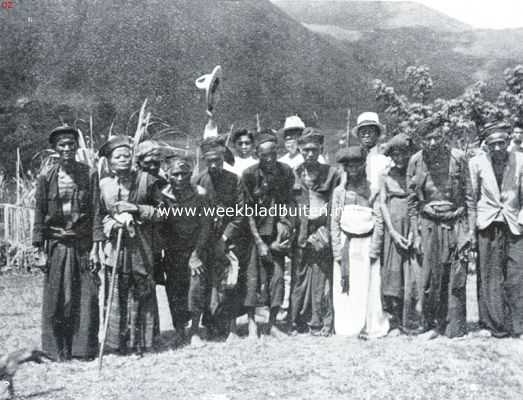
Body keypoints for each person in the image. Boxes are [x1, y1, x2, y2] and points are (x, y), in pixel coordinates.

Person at [33, 125, 102, 361]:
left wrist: (96, 248)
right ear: (55, 148)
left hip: (82, 244)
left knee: (85, 295)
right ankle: (55, 350)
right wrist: (40, 250)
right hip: (56, 245)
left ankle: (82, 349)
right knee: (57, 297)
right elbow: (39, 213)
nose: (67, 149)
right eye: (62, 145)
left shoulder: (89, 174)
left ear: (76, 147)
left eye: (71, 144)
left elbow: (96, 212)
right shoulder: (46, 177)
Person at [407, 117, 473, 339]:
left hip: (455, 222)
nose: (433, 142)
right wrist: (415, 232)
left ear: (444, 136)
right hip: (428, 224)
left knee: (454, 275)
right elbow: (412, 201)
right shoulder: (416, 161)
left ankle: (454, 326)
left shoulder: (458, 158)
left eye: (437, 137)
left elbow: (469, 197)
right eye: (428, 139)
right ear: (422, 141)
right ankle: (430, 324)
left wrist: (469, 230)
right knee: (429, 277)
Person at [98, 135, 162, 355]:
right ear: (109, 161)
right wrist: (113, 223)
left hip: (142, 245)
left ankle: (143, 342)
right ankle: (117, 344)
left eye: (127, 155)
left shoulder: (147, 180)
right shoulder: (104, 185)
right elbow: (100, 216)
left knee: (142, 290)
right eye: (118, 156)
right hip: (116, 248)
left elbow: (164, 213)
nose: (123, 159)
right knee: (118, 291)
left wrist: (136, 209)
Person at [469, 121, 523, 338]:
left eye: (501, 143)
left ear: (508, 141)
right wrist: (472, 232)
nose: (498, 148)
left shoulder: (520, 160)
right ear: (486, 145)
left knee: (516, 274)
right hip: (487, 222)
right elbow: (472, 198)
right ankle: (491, 325)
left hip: (513, 224)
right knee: (489, 275)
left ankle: (517, 324)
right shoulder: (476, 163)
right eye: (493, 144)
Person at [330, 143, 389, 338]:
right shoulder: (340, 192)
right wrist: (337, 249)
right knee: (347, 286)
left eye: (357, 165)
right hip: (347, 244)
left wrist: (375, 248)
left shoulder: (372, 189)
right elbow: (334, 221)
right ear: (345, 168)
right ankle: (348, 325)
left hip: (367, 243)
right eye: (349, 166)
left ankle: (370, 325)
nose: (353, 169)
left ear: (363, 165)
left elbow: (379, 219)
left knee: (369, 285)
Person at [242, 130, 295, 339]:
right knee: (252, 279)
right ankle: (252, 325)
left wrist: (285, 224)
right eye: (265, 155)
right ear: (257, 155)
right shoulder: (249, 175)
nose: (270, 159)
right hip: (254, 235)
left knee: (278, 278)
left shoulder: (286, 171)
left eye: (273, 153)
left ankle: (272, 324)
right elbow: (246, 211)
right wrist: (259, 242)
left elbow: (290, 202)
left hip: (276, 234)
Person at [193, 136, 245, 341]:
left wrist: (225, 237)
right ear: (205, 160)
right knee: (205, 283)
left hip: (228, 238)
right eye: (210, 161)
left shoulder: (234, 180)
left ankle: (232, 328)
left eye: (218, 160)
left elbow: (240, 213)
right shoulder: (198, 180)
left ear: (223, 159)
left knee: (231, 282)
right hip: (205, 240)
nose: (214, 165)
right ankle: (207, 326)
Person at [290, 129, 340, 336]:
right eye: (305, 150)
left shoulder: (332, 173)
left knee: (322, 277)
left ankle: (320, 321)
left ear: (321, 149)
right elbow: (291, 203)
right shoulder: (295, 172)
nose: (309, 154)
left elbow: (336, 204)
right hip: (300, 231)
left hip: (322, 231)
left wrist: (327, 231)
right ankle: (296, 321)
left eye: (313, 150)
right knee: (300, 276)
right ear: (300, 150)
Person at [160, 155, 210, 347]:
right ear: (168, 175)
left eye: (184, 174)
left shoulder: (200, 193)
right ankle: (179, 331)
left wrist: (196, 254)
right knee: (175, 291)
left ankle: (195, 331)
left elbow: (206, 226)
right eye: (175, 174)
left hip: (195, 249)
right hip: (173, 252)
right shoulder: (163, 196)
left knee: (196, 290)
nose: (180, 178)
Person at [380, 134, 423, 334]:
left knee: (414, 273)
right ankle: (394, 321)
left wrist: (416, 231)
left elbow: (420, 202)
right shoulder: (385, 176)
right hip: (394, 231)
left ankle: (413, 320)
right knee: (393, 274)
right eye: (395, 154)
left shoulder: (416, 174)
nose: (399, 158)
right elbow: (382, 204)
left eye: (403, 154)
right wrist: (392, 232)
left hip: (413, 227)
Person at [352, 112, 391, 191]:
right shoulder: (352, 159)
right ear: (358, 135)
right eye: (363, 132)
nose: (366, 135)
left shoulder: (386, 159)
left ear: (377, 134)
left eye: (370, 131)